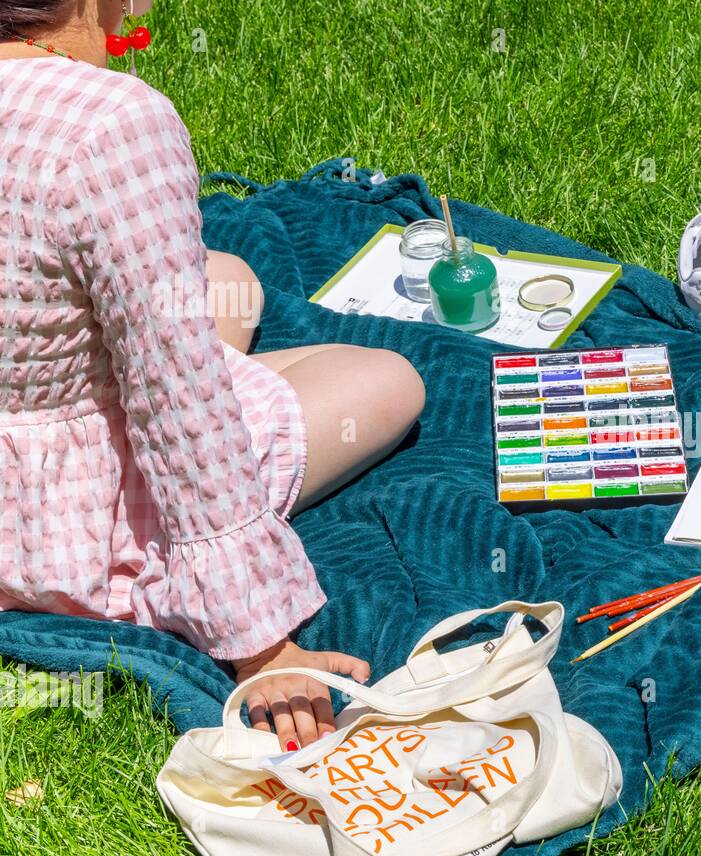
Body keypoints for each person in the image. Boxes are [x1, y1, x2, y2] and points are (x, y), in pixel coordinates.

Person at [0, 0, 427, 750]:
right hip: (52, 534)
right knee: (391, 380)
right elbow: (176, 398)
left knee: (227, 277)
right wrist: (259, 643)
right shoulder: (109, 123)